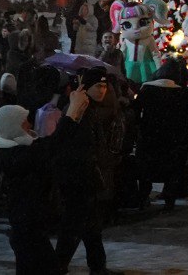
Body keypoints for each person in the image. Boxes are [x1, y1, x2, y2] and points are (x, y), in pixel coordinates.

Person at [0, 100, 77, 275]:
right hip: (27, 225)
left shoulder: (19, 149)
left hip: (30, 223)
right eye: (24, 122)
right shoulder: (17, 155)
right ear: (13, 126)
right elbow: (52, 144)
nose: (30, 124)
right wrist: (70, 117)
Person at [52, 67, 117, 274]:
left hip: (86, 176)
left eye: (105, 86)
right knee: (75, 225)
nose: (102, 90)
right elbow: (73, 146)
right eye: (98, 86)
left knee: (91, 227)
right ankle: (59, 265)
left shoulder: (91, 109)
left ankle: (97, 266)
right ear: (86, 88)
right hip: (78, 178)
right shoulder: (78, 110)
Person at [135, 59, 188, 211]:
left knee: (146, 170)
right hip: (174, 139)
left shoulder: (147, 90)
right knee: (172, 171)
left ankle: (143, 198)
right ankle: (169, 201)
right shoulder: (184, 92)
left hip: (150, 136)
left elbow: (137, 111)